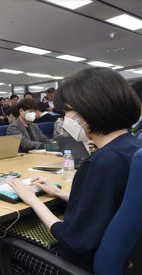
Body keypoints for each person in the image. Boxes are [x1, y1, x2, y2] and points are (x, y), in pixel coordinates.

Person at [8, 67, 142, 273]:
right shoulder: (132, 148)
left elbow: (73, 241)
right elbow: (114, 207)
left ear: (89, 110)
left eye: (66, 111)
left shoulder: (102, 162)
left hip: (74, 265)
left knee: (1, 235)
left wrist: (32, 200)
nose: (64, 119)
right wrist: (61, 193)